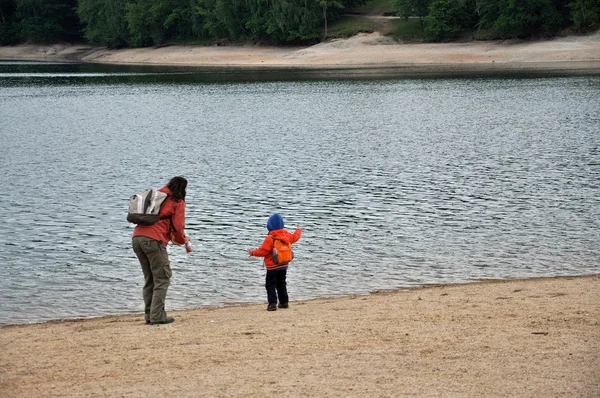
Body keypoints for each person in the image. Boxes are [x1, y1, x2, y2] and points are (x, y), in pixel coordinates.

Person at [132, 176, 189, 325]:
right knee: (162, 278)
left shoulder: (157, 196)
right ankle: (157, 317)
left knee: (150, 279)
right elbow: (178, 227)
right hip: (153, 240)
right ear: (182, 188)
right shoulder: (177, 201)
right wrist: (183, 241)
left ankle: (150, 316)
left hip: (137, 238)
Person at [247, 213, 302, 311]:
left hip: (272, 267)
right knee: (281, 283)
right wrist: (298, 230)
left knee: (270, 284)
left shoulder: (270, 238)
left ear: (269, 225)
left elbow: (263, 251)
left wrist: (252, 253)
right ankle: (284, 302)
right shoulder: (287, 235)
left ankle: (272, 304)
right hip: (284, 264)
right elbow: (295, 237)